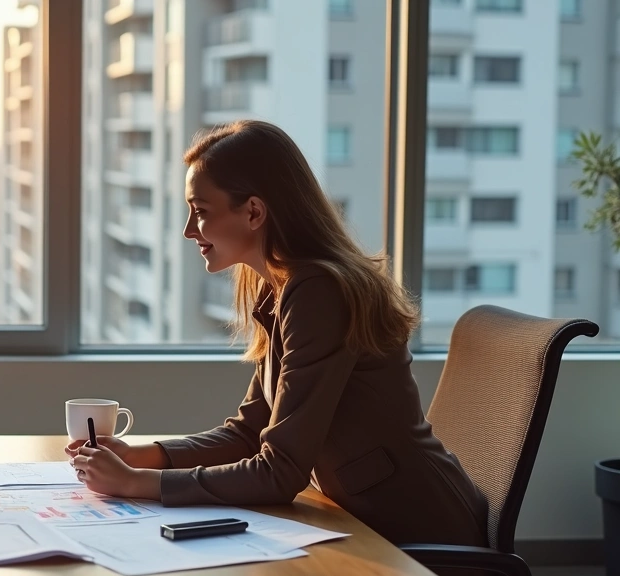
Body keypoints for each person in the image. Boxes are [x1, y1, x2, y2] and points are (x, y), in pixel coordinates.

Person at [68, 120, 488, 549]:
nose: (189, 230)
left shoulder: (320, 293)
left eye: (201, 211)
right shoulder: (284, 289)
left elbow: (279, 472)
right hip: (364, 523)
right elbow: (248, 433)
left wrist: (140, 483)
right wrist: (139, 456)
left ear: (253, 211)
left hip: (418, 535)